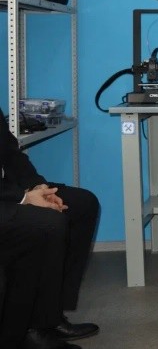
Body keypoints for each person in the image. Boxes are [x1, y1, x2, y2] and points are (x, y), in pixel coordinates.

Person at [0, 107, 100, 348]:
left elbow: (10, 153)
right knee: (47, 223)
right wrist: (23, 198)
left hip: (8, 192)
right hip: (6, 197)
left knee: (82, 204)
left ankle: (51, 317)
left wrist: (37, 187)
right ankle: (28, 330)